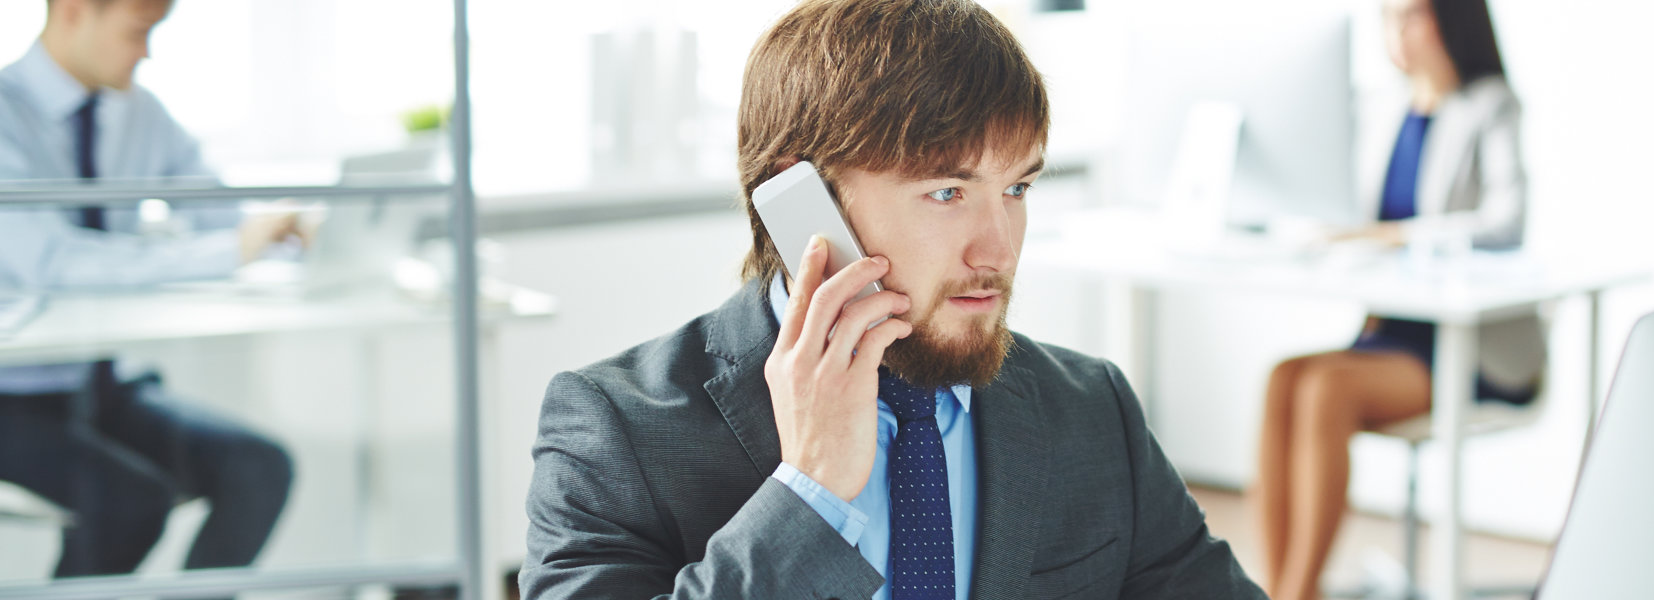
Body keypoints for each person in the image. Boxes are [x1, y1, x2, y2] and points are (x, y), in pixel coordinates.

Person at [519, 0, 1268, 598]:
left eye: (1015, 189)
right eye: (947, 192)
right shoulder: (615, 429)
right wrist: (808, 493)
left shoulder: (1089, 409)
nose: (998, 250)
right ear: (802, 196)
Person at [1251, 0, 1543, 598]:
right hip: (1393, 332)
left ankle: (1299, 591)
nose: (1398, 33)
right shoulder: (1382, 109)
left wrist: (1398, 236)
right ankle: (1273, 590)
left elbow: (1506, 224)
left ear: (1452, 19)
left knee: (1326, 388)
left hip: (1472, 348)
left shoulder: (1492, 105)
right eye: (1390, 18)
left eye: (1412, 16)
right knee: (1284, 378)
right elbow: (1346, 208)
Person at [0, 0, 299, 578]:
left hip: (102, 384)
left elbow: (221, 212)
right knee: (130, 503)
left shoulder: (141, 113)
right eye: (138, 32)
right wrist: (228, 250)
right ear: (72, 12)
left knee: (258, 469)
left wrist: (280, 228)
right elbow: (51, 262)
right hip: (11, 399)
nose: (147, 52)